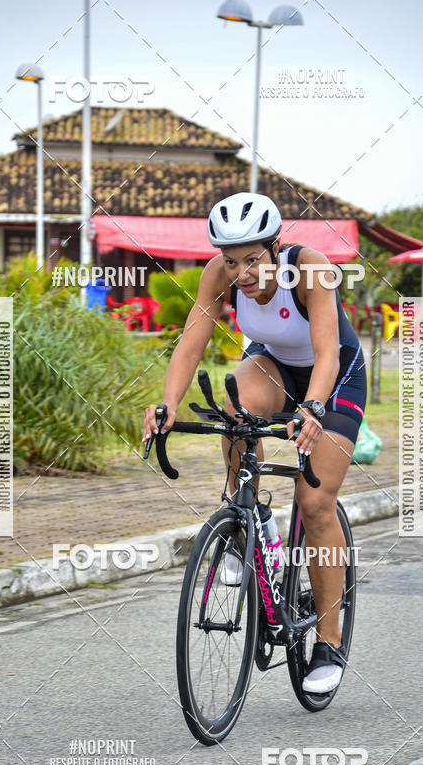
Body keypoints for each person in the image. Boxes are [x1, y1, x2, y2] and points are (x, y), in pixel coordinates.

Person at [142, 192, 367, 694]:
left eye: (252, 260)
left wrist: (311, 408)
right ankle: (250, 519)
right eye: (231, 261)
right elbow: (191, 342)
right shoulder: (218, 275)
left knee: (314, 502)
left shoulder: (310, 269)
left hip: (335, 376)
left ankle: (328, 641)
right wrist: (167, 405)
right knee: (233, 408)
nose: (242, 273)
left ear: (275, 247)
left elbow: (329, 352)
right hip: (275, 366)